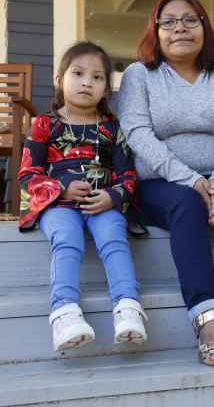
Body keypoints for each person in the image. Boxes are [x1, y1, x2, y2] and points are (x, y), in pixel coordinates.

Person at [118, 0, 214, 367]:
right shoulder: (140, 75)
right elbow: (137, 134)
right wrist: (191, 181)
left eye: (189, 19)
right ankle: (208, 317)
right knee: (185, 203)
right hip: (160, 184)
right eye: (168, 22)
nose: (179, 28)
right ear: (156, 30)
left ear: (204, 26)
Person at [18, 41, 147, 352]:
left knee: (113, 237)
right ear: (60, 80)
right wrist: (61, 189)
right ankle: (64, 312)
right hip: (58, 205)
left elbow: (128, 176)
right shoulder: (43, 126)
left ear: (106, 88)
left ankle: (128, 306)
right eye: (78, 73)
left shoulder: (112, 129)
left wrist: (112, 198)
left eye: (97, 77)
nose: (87, 82)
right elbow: (27, 175)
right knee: (66, 239)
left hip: (101, 204)